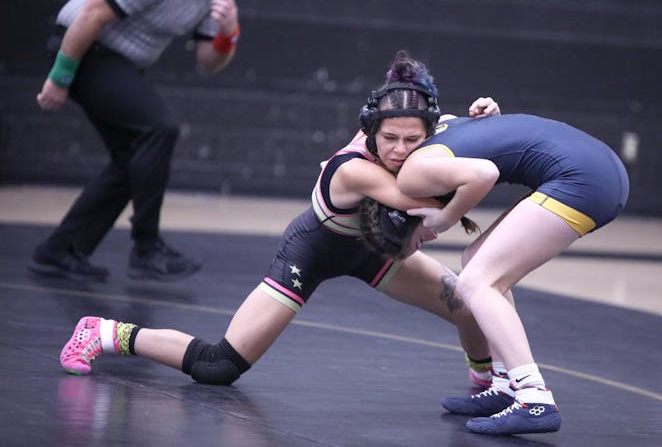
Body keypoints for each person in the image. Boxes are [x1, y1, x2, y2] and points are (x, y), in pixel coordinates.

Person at [58, 51, 501, 394]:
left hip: (371, 250)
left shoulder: (425, 136)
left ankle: (485, 384)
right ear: (370, 131)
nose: (401, 149)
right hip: (312, 251)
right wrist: (472, 149)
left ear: (427, 132)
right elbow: (436, 189)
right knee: (219, 366)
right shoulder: (352, 168)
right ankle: (105, 332)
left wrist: (484, 122)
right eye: (390, 139)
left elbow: (452, 140)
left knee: (469, 305)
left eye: (413, 140)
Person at [28, 0, 258, 282]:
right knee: (160, 128)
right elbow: (92, 13)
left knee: (135, 159)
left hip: (119, 64)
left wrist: (229, 33)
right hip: (85, 48)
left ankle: (60, 252)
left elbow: (208, 63)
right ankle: (147, 248)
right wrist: (60, 77)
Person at [391, 112, 630, 435]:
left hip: (584, 178)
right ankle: (506, 384)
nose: (419, 245)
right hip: (596, 167)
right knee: (475, 258)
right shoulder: (442, 126)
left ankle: (534, 399)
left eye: (408, 242)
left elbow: (486, 172)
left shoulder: (411, 176)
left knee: (476, 281)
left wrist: (447, 217)